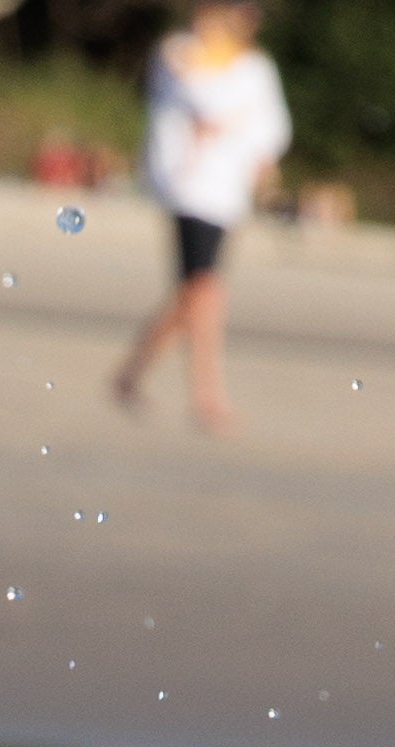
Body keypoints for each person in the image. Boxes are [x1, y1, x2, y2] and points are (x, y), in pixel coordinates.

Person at [113, 0, 290, 434]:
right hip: (187, 188)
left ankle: (133, 374)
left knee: (199, 294)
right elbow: (204, 101)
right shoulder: (180, 50)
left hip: (227, 192)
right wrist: (231, 118)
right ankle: (205, 397)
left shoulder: (253, 65)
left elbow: (272, 127)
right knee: (204, 292)